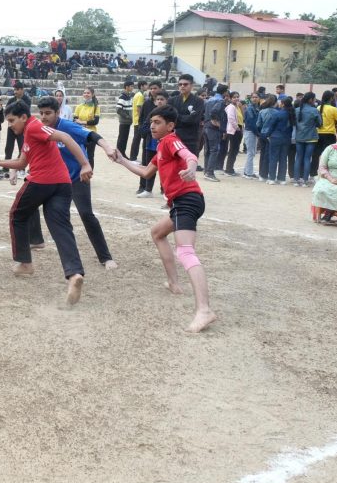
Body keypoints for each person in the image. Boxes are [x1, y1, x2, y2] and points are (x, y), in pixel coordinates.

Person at [114, 105, 217, 333]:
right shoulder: (161, 146)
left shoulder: (171, 141)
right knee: (157, 233)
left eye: (158, 122)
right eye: (151, 122)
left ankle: (204, 310)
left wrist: (191, 168)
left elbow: (189, 155)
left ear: (170, 126)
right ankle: (173, 283)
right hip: (182, 202)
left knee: (186, 252)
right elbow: (145, 172)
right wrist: (122, 160)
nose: (152, 126)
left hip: (186, 200)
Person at [0, 101, 92, 305]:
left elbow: (65, 137)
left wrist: (85, 164)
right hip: (62, 183)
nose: (10, 125)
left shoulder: (34, 126)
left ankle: (24, 263)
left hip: (42, 182)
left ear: (24, 117)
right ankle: (74, 274)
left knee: (17, 215)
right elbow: (22, 163)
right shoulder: (30, 132)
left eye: (12, 120)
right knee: (61, 228)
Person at [36, 96, 118, 268]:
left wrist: (108, 148)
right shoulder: (40, 129)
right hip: (56, 179)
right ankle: (36, 240)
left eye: (48, 113)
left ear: (58, 113)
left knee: (86, 214)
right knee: (31, 202)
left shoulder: (67, 127)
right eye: (41, 113)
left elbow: (92, 135)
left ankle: (105, 257)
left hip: (78, 177)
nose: (44, 117)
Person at [167, 74, 205, 159]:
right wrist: (187, 117)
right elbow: (169, 118)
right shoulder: (172, 100)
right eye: (180, 84)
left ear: (191, 86)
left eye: (185, 84)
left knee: (189, 163)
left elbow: (194, 119)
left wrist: (177, 116)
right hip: (174, 138)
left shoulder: (198, 101)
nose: (182, 86)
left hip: (191, 139)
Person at [260, 96, 294, 185]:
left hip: (276, 137)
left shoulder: (278, 114)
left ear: (282, 104)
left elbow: (271, 126)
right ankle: (281, 178)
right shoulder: (292, 114)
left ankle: (272, 178)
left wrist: (267, 135)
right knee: (283, 158)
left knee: (273, 157)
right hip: (287, 138)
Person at [310, 90, 337, 178]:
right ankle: (328, 174)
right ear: (331, 98)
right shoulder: (333, 109)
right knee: (329, 155)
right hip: (330, 134)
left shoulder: (318, 107)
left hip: (318, 133)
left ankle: (313, 173)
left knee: (316, 154)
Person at [72, 87, 100, 169]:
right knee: (80, 155)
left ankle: (90, 173)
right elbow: (75, 120)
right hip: (80, 133)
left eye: (88, 93)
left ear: (92, 94)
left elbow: (95, 121)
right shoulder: (79, 106)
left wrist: (82, 122)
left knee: (90, 156)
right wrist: (85, 123)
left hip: (91, 134)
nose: (86, 94)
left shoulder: (96, 107)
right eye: (84, 93)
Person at [115, 81, 135, 156]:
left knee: (124, 138)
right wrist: (127, 116)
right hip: (124, 121)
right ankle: (120, 154)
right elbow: (118, 110)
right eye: (131, 86)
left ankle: (121, 153)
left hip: (128, 121)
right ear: (127, 87)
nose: (132, 88)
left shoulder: (128, 96)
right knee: (122, 138)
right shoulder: (122, 97)